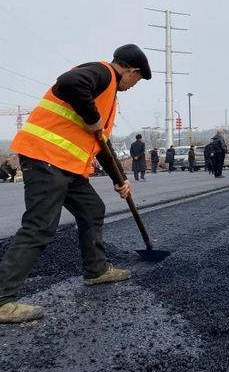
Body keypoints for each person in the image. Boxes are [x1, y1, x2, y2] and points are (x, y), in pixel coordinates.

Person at [0, 43, 151, 324]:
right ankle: (2, 299)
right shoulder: (102, 73)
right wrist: (92, 117)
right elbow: (69, 82)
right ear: (131, 70)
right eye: (137, 80)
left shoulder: (107, 96)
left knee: (92, 208)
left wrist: (121, 180)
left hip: (66, 166)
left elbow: (100, 144)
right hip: (45, 158)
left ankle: (96, 270)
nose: (133, 86)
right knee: (40, 226)